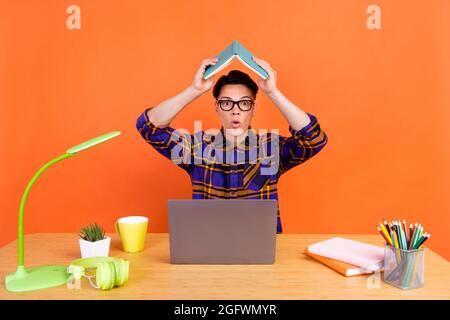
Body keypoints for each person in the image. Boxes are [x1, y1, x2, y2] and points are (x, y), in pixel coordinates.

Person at [136, 57, 328, 232]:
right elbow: (149, 127)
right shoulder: (197, 148)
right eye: (227, 103)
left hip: (260, 252)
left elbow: (314, 139)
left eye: (244, 103)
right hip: (207, 251)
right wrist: (194, 91)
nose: (235, 111)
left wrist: (273, 92)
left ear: (253, 109)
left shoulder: (270, 149)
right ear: (217, 107)